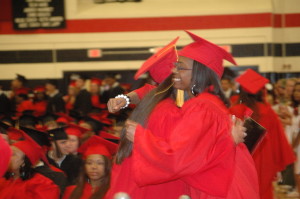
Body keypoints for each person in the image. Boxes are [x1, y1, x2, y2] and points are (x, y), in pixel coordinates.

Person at [106, 31, 259, 199]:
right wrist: (127, 98)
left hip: (218, 189)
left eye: (180, 67)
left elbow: (180, 158)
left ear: (198, 73)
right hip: (220, 184)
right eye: (174, 66)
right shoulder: (205, 103)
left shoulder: (200, 107)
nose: (174, 70)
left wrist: (141, 137)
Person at [229, 69, 296, 199]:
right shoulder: (267, 111)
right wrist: (277, 166)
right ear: (261, 91)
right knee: (263, 192)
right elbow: (278, 141)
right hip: (265, 161)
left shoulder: (234, 110)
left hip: (241, 161)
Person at [0, 131, 60, 199]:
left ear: (24, 162)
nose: (7, 156)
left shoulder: (41, 185)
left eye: (13, 154)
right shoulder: (4, 181)